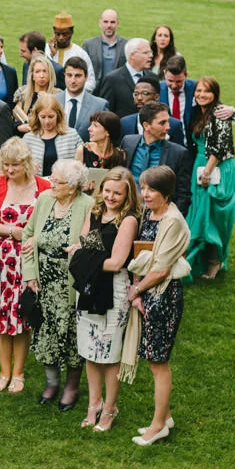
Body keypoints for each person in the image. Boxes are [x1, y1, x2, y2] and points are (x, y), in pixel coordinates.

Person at [0, 138, 49, 395]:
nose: (9, 170)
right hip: (0, 259)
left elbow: (47, 223)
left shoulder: (43, 187)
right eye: (6, 165)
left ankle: (18, 373)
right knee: (0, 316)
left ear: (27, 163)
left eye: (15, 165)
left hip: (28, 259)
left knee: (22, 316)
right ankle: (4, 371)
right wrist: (13, 231)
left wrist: (30, 238)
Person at [126, 165, 191, 444]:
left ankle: (158, 425)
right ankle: (165, 416)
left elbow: (162, 268)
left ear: (166, 192)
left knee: (158, 363)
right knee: (154, 359)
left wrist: (136, 290)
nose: (145, 194)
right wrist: (139, 292)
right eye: (143, 188)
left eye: (152, 189)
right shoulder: (148, 213)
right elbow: (141, 252)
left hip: (164, 296)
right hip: (148, 293)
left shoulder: (172, 221)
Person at [21, 159, 91, 409]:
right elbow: (28, 235)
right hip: (43, 283)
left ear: (72, 187)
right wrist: (30, 275)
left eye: (56, 181)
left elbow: (91, 243)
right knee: (45, 333)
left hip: (70, 284)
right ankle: (51, 383)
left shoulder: (87, 205)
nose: (50, 183)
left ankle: (71, 387)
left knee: (72, 335)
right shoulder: (44, 200)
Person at [74, 168, 140, 432]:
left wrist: (84, 258)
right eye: (108, 191)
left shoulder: (128, 220)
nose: (111, 197)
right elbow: (81, 245)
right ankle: (94, 404)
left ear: (127, 195)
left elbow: (116, 262)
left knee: (109, 354)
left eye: (117, 193)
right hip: (90, 285)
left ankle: (110, 407)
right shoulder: (95, 212)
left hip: (114, 290)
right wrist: (84, 255)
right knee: (89, 350)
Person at [183, 76, 235, 280]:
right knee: (198, 212)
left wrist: (206, 172)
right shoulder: (197, 112)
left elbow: (219, 148)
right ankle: (200, 259)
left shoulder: (220, 113)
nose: (201, 95)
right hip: (200, 165)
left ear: (215, 94)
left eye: (206, 91)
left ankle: (215, 260)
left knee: (212, 216)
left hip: (217, 168)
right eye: (198, 91)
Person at [123, 101, 193, 214]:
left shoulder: (178, 153)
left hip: (159, 215)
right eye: (162, 123)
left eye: (168, 122)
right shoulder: (128, 142)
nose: (168, 127)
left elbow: (183, 195)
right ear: (146, 126)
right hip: (129, 210)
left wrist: (169, 218)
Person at [21, 93, 82, 176]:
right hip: (38, 183)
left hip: (66, 182)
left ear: (58, 115)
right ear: (37, 116)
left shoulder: (72, 135)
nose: (47, 121)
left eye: (51, 116)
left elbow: (83, 164)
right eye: (43, 117)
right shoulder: (28, 138)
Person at [96, 37, 158, 118]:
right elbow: (106, 113)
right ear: (132, 55)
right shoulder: (112, 79)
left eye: (150, 52)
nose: (151, 56)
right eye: (146, 53)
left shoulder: (153, 77)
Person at [56, 56, 108, 135]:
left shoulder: (100, 106)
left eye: (78, 76)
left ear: (86, 77)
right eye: (69, 75)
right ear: (64, 76)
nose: (73, 80)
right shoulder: (53, 101)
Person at [12, 54, 60, 134]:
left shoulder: (58, 94)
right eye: (37, 72)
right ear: (32, 75)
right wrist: (20, 127)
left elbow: (60, 120)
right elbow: (16, 119)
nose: (41, 76)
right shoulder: (23, 92)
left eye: (45, 71)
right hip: (26, 136)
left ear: (50, 74)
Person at [47, 13, 94, 91]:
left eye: (65, 34)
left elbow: (90, 83)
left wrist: (72, 92)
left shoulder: (80, 53)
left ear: (72, 32)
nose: (61, 38)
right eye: (57, 34)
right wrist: (51, 55)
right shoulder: (46, 50)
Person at [82, 110, 127, 188]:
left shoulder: (121, 155)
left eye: (95, 126)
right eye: (91, 125)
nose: (89, 129)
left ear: (107, 132)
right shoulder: (83, 150)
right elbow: (76, 181)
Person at [83, 8, 127, 79]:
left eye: (112, 22)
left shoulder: (127, 45)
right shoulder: (89, 45)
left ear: (118, 23)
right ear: (100, 23)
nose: (109, 25)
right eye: (105, 22)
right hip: (96, 85)